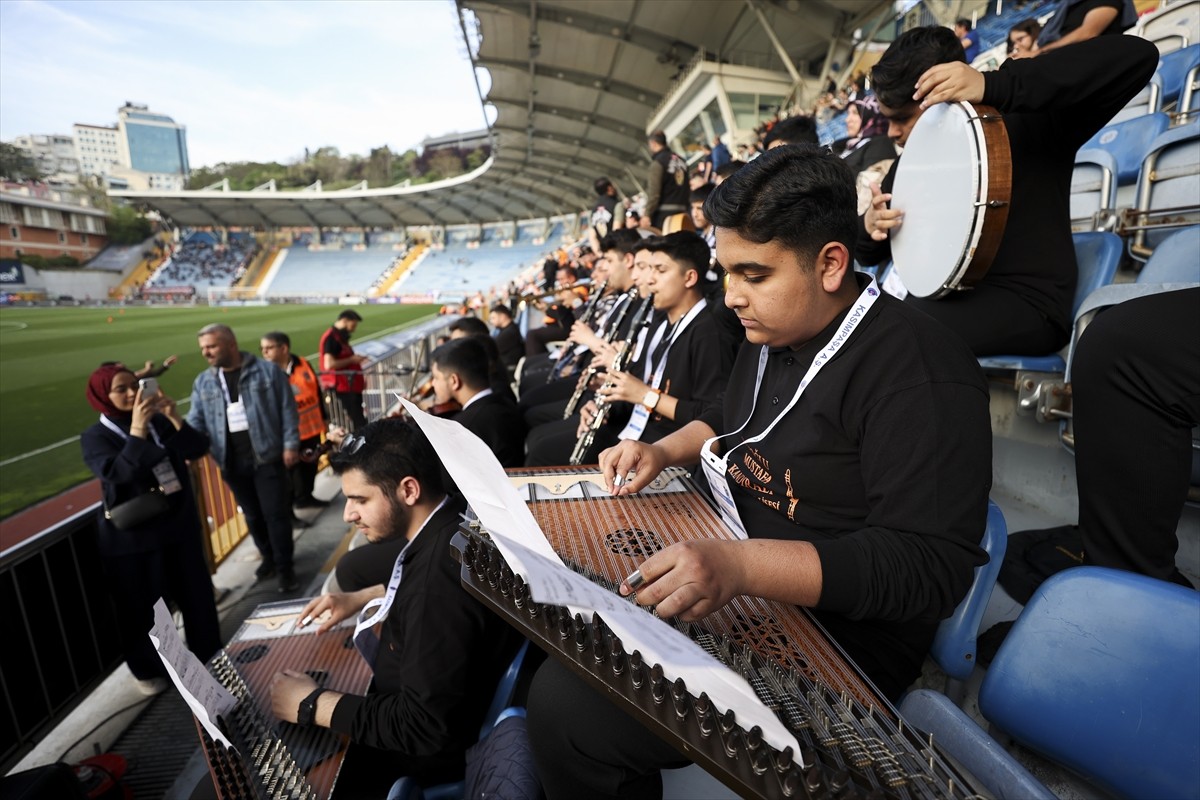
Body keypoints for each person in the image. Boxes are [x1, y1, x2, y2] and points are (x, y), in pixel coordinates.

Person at [526, 145, 992, 798]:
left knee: (569, 706)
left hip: (837, 639)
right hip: (736, 568)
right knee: (566, 624)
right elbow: (727, 417)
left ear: (831, 263)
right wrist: (663, 451)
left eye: (754, 274)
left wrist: (741, 567)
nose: (733, 297)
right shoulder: (770, 330)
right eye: (726, 274)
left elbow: (926, 566)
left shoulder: (920, 368)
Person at [857, 27, 1157, 356]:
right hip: (941, 301)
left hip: (1029, 302)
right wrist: (870, 226)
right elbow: (870, 252)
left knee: (898, 336)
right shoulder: (910, 162)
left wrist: (993, 83)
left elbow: (1137, 56)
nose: (892, 132)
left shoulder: (1029, 119)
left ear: (946, 89)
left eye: (901, 118)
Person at [268, 419, 521, 797]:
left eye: (360, 499)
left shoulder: (434, 588)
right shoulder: (455, 520)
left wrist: (310, 704)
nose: (348, 515)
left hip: (417, 760)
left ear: (408, 489)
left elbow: (421, 726)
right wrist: (367, 595)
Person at [524, 231, 733, 466]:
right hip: (636, 430)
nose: (648, 279)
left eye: (660, 271)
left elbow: (712, 417)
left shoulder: (709, 333)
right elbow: (643, 389)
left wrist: (644, 395)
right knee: (540, 442)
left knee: (542, 450)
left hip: (665, 449)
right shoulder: (665, 324)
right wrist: (607, 405)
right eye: (649, 269)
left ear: (689, 278)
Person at [81, 364, 222, 695]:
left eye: (134, 384)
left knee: (197, 598)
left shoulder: (157, 419)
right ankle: (154, 669)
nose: (132, 393)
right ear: (103, 395)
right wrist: (137, 431)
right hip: (137, 541)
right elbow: (118, 474)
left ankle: (211, 657)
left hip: (178, 528)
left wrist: (173, 416)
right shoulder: (95, 437)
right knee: (150, 612)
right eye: (121, 389)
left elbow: (196, 448)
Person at [188, 324, 301, 592]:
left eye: (212, 346)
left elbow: (287, 410)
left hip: (267, 457)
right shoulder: (203, 381)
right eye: (203, 348)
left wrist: (290, 445)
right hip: (230, 462)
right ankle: (269, 558)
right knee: (252, 515)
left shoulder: (267, 371)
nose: (206, 353)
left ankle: (286, 568)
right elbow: (196, 421)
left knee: (276, 515)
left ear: (231, 344)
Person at [260, 331, 329, 510]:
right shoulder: (264, 374)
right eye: (263, 349)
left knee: (310, 468)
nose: (264, 352)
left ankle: (306, 497)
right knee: (289, 475)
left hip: (311, 429)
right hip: (285, 435)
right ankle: (289, 511)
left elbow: (316, 393)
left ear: (283, 348)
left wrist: (325, 418)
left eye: (269, 348)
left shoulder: (303, 364)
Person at [320, 309, 369, 431]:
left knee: (359, 421)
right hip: (342, 388)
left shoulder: (340, 337)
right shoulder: (331, 338)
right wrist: (352, 360)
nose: (355, 328)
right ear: (345, 321)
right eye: (353, 324)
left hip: (350, 386)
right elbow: (329, 364)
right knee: (356, 423)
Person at [1035, 0, 1137, 55]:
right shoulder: (1068, 6)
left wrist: (1041, 51)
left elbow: (1087, 34)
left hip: (1094, 60)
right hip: (1069, 59)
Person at [644, 131, 690, 229]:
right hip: (684, 213)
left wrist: (647, 214)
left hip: (665, 217)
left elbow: (654, 194)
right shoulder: (682, 160)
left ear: (653, 143)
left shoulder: (658, 163)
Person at [488, 303, 524, 372]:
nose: (491, 321)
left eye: (493, 318)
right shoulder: (510, 329)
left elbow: (491, 350)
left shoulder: (510, 333)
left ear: (502, 316)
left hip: (507, 370)